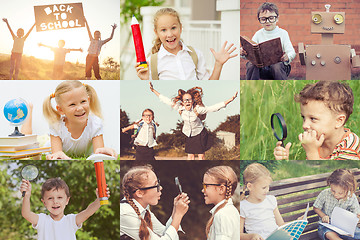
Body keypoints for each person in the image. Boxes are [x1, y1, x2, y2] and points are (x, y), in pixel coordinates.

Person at [135, 7, 237, 80]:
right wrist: (145, 80)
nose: (169, 34)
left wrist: (218, 64)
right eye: (163, 30)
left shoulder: (195, 54)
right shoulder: (152, 61)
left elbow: (209, 87)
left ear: (180, 27)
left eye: (173, 28)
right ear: (156, 32)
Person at [274, 81, 360, 160]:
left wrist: (311, 152)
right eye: (303, 117)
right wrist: (285, 160)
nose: (304, 125)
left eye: (313, 119)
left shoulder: (349, 147)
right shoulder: (317, 141)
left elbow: (327, 172)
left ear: (339, 121)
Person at [149, 82, 237, 160]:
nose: (187, 101)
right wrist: (153, 90)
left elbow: (212, 108)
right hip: (189, 134)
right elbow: (167, 101)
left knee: (201, 156)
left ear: (192, 101)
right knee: (190, 156)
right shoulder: (180, 109)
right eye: (185, 100)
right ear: (182, 102)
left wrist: (230, 100)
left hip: (200, 133)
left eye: (189, 100)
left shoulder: (197, 109)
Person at [42, 80, 117, 159]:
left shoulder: (95, 123)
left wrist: (105, 152)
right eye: (72, 104)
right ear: (61, 110)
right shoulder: (56, 125)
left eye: (83, 101)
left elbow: (99, 152)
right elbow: (57, 153)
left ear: (88, 100)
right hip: (50, 147)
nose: (80, 108)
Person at [20, 177, 110, 240]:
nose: (55, 202)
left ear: (67, 200)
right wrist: (27, 196)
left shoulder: (71, 220)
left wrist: (99, 200)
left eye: (59, 198)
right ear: (44, 203)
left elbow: (87, 212)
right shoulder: (42, 220)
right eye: (50, 198)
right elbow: (26, 214)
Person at [120, 165, 190, 239]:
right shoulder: (125, 213)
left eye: (158, 183)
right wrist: (178, 215)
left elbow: (164, 234)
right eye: (156, 185)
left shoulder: (144, 210)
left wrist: (175, 211)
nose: (160, 188)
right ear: (139, 193)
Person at [240, 2, 296, 80]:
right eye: (263, 19)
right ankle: (251, 86)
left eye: (271, 18)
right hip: (262, 68)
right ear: (259, 20)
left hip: (279, 68)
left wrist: (287, 57)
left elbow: (292, 52)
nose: (267, 21)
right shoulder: (258, 34)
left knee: (276, 66)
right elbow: (251, 51)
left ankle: (282, 86)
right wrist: (243, 53)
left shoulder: (283, 33)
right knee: (251, 65)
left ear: (277, 18)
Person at [240, 163, 286, 240]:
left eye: (268, 186)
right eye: (264, 187)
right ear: (250, 186)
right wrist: (251, 236)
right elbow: (239, 235)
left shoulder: (271, 200)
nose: (267, 190)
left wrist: (297, 223)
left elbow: (281, 224)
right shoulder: (243, 206)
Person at [313, 169, 360, 240]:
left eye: (340, 193)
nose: (335, 195)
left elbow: (356, 214)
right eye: (333, 190)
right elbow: (316, 207)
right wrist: (323, 216)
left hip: (345, 227)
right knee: (328, 233)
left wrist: (357, 218)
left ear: (349, 189)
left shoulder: (351, 197)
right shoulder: (325, 193)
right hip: (328, 225)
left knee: (357, 234)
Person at [202, 165, 239, 240]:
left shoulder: (222, 215)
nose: (203, 190)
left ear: (221, 189)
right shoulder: (232, 211)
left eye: (206, 186)